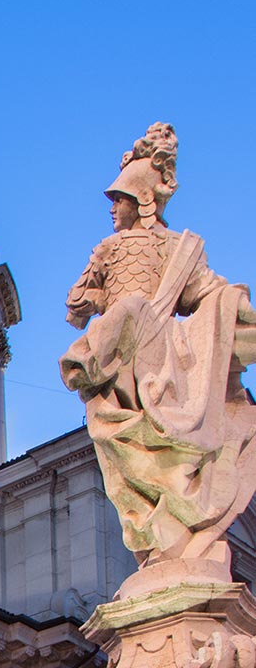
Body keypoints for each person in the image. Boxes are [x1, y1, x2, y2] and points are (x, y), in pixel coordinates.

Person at [61, 123, 256, 569]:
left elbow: (209, 291)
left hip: (160, 356)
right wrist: (92, 283)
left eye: (121, 199)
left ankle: (177, 533)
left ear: (143, 200)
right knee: (125, 309)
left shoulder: (177, 249)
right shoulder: (107, 249)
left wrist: (234, 305)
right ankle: (157, 536)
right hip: (119, 370)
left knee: (131, 307)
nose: (113, 208)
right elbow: (75, 306)